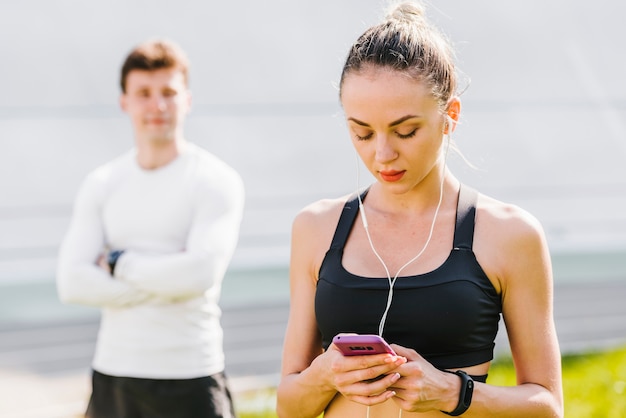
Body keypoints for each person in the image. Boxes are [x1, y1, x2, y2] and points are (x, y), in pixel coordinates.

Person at [277, 2, 563, 417]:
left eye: (405, 130)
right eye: (361, 132)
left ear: (450, 116)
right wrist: (325, 376)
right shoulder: (315, 228)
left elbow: (548, 406)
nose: (382, 154)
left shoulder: (509, 234)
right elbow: (288, 405)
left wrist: (453, 392)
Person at [56, 39, 244, 418]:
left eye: (168, 93)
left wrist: (118, 263)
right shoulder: (102, 183)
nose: (157, 105)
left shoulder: (215, 180)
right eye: (143, 93)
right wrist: (165, 281)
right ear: (124, 101)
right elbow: (71, 282)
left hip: (191, 374)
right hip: (115, 376)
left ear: (186, 100)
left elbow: (199, 273)